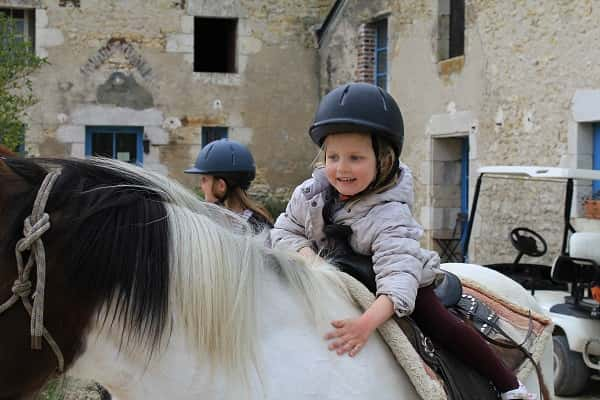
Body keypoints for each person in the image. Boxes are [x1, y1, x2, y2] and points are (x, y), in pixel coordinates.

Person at [270, 82, 535, 400]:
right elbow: (284, 231)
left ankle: (509, 386)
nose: (341, 168)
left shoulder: (390, 215)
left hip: (401, 281)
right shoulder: (310, 195)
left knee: (441, 325)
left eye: (356, 158)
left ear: (383, 160)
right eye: (333, 156)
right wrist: (307, 257)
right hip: (334, 273)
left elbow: (398, 282)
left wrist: (364, 325)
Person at [185, 138, 273, 233]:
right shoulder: (212, 220)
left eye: (204, 180)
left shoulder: (256, 227)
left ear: (221, 186)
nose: (201, 186)